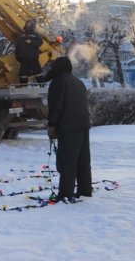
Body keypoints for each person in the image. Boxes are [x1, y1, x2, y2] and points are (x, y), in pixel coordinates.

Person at [43, 56, 92, 202]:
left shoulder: (59, 82)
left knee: (67, 162)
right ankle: (85, 190)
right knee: (83, 161)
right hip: (84, 125)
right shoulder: (78, 82)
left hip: (69, 127)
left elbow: (56, 106)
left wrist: (51, 124)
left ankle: (65, 193)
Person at [14, 18, 44, 84]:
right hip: (23, 56)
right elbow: (18, 45)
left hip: (32, 56)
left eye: (29, 23)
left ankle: (42, 84)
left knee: (37, 71)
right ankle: (23, 85)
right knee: (23, 73)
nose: (28, 24)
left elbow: (40, 42)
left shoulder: (35, 34)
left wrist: (31, 41)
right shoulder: (22, 34)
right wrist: (17, 54)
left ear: (32, 24)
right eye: (27, 23)